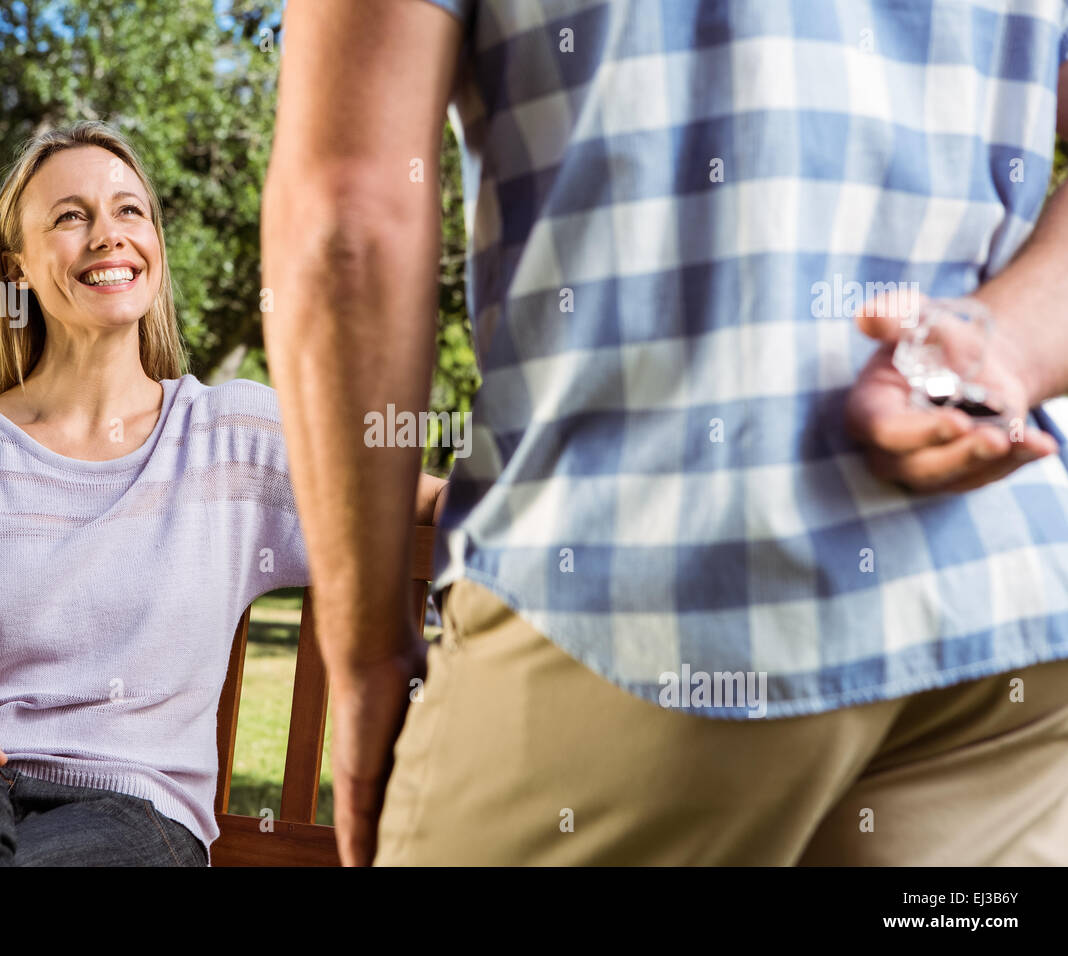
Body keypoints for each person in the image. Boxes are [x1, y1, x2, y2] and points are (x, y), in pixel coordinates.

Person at [261, 0, 1068, 865]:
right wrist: (999, 345)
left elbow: (346, 217)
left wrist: (367, 653)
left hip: (640, 607)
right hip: (1004, 627)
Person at [0, 120, 446, 867]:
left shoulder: (234, 436)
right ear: (17, 267)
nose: (108, 235)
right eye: (70, 216)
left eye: (129, 211)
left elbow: (425, 504)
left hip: (133, 817)